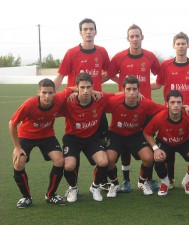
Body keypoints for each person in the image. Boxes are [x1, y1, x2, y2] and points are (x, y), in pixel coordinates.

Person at [53, 18, 111, 191]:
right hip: (76, 106)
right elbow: (61, 75)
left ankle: (99, 183)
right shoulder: (72, 53)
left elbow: (108, 72)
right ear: (80, 32)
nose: (88, 32)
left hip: (96, 107)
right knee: (73, 152)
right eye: (85, 29)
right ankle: (74, 186)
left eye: (91, 29)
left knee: (102, 149)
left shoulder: (102, 52)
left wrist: (96, 88)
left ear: (95, 31)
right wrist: (51, 96)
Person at [104, 24, 161, 192]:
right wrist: (124, 89)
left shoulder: (150, 56)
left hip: (145, 108)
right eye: (132, 36)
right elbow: (108, 74)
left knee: (148, 145)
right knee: (124, 145)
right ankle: (126, 180)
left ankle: (146, 180)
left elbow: (161, 77)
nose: (135, 39)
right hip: (125, 106)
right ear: (128, 38)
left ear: (142, 37)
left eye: (137, 36)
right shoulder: (120, 57)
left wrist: (148, 88)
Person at [151, 32, 189, 189]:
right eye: (178, 44)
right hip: (172, 110)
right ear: (173, 46)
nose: (181, 46)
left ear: (188, 45)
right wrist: (139, 87)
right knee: (170, 143)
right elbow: (159, 84)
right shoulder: (166, 65)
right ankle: (171, 178)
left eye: (183, 43)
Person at [9, 79, 71, 208]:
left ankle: (51, 195)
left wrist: (92, 92)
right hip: (26, 136)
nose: (47, 96)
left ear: (55, 92)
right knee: (19, 162)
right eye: (44, 93)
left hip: (47, 136)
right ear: (38, 92)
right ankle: (26, 197)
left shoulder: (59, 98)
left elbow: (72, 89)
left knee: (59, 160)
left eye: (50, 93)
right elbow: (12, 124)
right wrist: (17, 147)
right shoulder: (29, 104)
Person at [103, 76, 168, 197]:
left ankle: (142, 182)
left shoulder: (145, 103)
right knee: (109, 160)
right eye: (128, 89)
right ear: (123, 90)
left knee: (149, 158)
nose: (131, 93)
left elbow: (165, 110)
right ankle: (115, 184)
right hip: (116, 134)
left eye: (134, 89)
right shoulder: (114, 101)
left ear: (139, 90)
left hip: (135, 135)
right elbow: (96, 101)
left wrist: (184, 107)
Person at [60, 73, 115, 202]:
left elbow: (117, 96)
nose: (85, 91)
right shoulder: (69, 101)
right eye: (82, 87)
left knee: (104, 162)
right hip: (72, 138)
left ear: (93, 87)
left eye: (88, 87)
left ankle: (95, 187)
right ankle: (73, 188)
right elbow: (53, 106)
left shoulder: (99, 98)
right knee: (68, 166)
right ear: (77, 87)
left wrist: (136, 94)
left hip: (91, 138)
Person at [143, 90, 189, 196]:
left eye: (178, 102)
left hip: (184, 142)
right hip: (165, 142)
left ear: (182, 104)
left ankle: (187, 181)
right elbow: (147, 132)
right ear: (167, 104)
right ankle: (165, 183)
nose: (176, 105)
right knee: (158, 158)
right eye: (172, 102)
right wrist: (155, 148)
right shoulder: (160, 117)